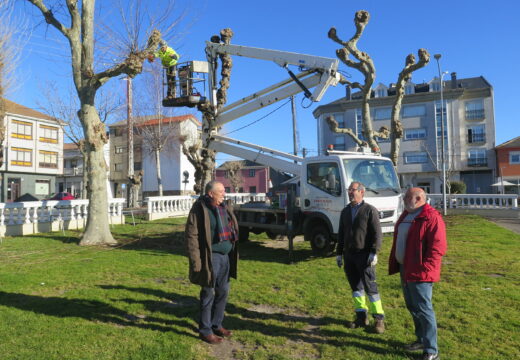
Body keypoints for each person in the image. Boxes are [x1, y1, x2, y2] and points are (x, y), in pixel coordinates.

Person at [388, 187, 447, 360]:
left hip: (420, 272)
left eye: (408, 197)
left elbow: (438, 247)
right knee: (412, 306)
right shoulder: (407, 214)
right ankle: (421, 339)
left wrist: (425, 268)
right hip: (405, 268)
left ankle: (431, 350)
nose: (404, 199)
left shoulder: (431, 216)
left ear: (419, 198)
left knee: (424, 308)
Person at [185, 180, 239, 344]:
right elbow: (191, 237)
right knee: (208, 293)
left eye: (224, 191)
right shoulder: (200, 209)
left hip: (225, 257)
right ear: (210, 193)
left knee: (223, 291)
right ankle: (205, 330)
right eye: (221, 191)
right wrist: (196, 261)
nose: (224, 193)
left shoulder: (224, 207)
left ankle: (217, 324)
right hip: (210, 258)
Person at [336, 181, 385, 333]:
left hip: (364, 256)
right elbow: (341, 234)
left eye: (353, 190)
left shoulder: (370, 210)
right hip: (349, 256)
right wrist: (339, 253)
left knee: (371, 288)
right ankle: (361, 317)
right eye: (349, 190)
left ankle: (379, 319)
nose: (350, 192)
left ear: (362, 192)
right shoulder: (345, 211)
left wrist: (374, 252)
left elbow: (377, 234)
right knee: (356, 288)